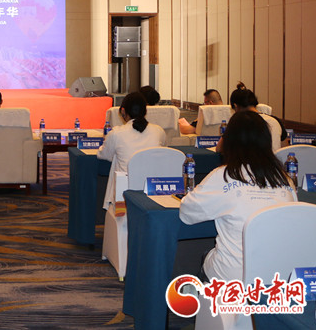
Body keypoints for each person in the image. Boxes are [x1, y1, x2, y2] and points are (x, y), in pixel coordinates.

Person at [180, 110, 296, 282]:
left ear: (229, 141)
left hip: (231, 278)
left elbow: (186, 213)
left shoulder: (223, 176)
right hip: (276, 279)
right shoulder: (285, 179)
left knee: (206, 256)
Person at [98, 92, 167, 209]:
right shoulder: (159, 131)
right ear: (145, 111)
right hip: (153, 193)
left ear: (123, 111)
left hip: (124, 195)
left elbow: (103, 155)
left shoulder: (116, 133)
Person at [219, 82, 283, 152]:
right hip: (273, 159)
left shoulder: (238, 121)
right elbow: (284, 149)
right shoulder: (275, 120)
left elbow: (219, 148)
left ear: (235, 106)